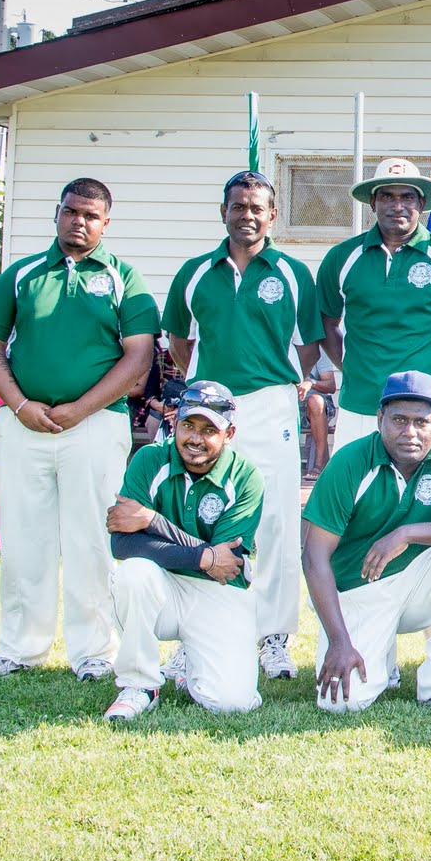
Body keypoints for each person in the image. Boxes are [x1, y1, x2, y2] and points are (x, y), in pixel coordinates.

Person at [0, 178, 159, 682]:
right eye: (71, 211)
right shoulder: (22, 274)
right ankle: (20, 648)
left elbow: (139, 355)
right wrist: (18, 404)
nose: (79, 222)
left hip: (95, 425)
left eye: (91, 215)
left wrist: (80, 408)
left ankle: (94, 651)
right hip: (25, 424)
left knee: (92, 539)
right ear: (57, 213)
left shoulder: (124, 277)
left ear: (106, 223)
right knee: (23, 538)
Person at [161, 168, 323, 681]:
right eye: (238, 206)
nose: (247, 215)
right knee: (201, 519)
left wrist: (278, 380)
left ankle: (272, 637)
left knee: (275, 522)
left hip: (271, 405)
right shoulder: (195, 272)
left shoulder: (293, 273)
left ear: (272, 214)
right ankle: (193, 635)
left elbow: (308, 347)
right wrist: (207, 387)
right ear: (223, 212)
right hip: (209, 409)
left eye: (257, 208)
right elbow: (180, 343)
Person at [302, 370, 431, 713]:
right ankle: (380, 657)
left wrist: (406, 534)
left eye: (421, 422)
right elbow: (314, 556)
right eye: (399, 420)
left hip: (418, 585)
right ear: (380, 419)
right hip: (359, 590)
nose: (410, 432)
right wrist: (338, 641)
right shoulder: (350, 461)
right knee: (341, 704)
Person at [101, 380, 263, 722]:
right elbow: (123, 543)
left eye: (209, 430)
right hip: (162, 587)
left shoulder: (246, 476)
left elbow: (227, 563)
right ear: (175, 422)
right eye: (188, 425)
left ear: (229, 434)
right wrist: (203, 556)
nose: (195, 438)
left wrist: (151, 521)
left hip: (219, 591)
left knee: (232, 702)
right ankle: (140, 684)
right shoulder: (149, 459)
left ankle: (192, 661)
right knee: (133, 573)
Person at [318, 157, 431, 446]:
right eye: (387, 196)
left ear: (421, 203)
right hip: (362, 404)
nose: (397, 206)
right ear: (373, 202)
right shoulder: (342, 256)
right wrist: (353, 366)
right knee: (357, 477)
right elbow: (326, 322)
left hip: (428, 405)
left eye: (407, 197)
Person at [301, 358, 336, 476]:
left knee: (315, 401)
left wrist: (311, 383)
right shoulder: (283, 349)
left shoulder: (320, 353)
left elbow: (331, 385)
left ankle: (320, 463)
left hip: (316, 406)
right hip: (289, 403)